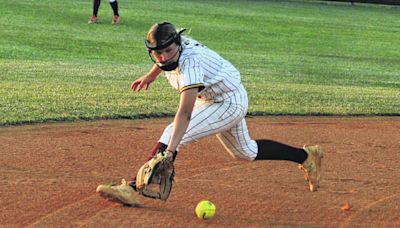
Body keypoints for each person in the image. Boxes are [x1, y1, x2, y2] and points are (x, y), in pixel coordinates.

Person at [96, 22, 324, 206]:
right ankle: (306, 156)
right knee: (246, 151)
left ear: (177, 44)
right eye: (158, 53)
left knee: (173, 132)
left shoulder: (190, 65)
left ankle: (132, 188)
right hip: (222, 96)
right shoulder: (174, 46)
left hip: (227, 103)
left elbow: (184, 114)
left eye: (168, 50)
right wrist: (151, 75)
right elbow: (163, 59)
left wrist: (170, 152)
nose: (163, 57)